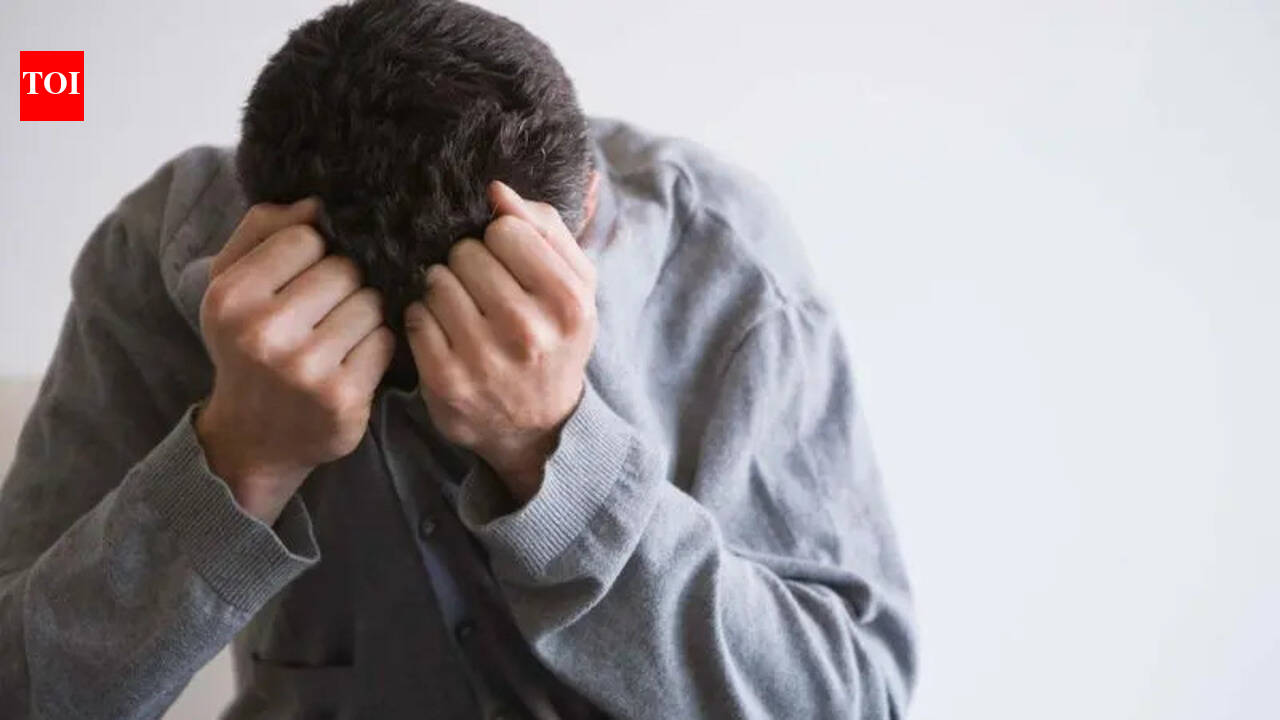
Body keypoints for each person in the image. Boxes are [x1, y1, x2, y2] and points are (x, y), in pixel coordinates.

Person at [0, 0, 916, 717]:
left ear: (586, 203)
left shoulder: (720, 259)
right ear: (263, 225)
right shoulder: (164, 260)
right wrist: (239, 460)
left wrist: (553, 452)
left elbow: (852, 697)